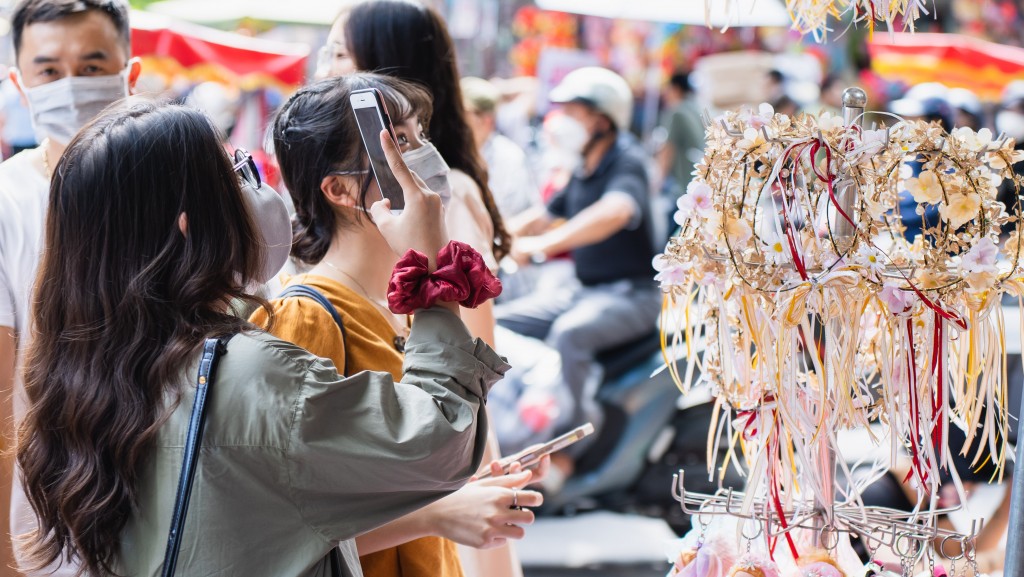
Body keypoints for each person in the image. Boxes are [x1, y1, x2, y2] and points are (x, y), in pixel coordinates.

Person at [16, 97, 507, 577]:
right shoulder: (253, 371)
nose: (254, 188)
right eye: (234, 176)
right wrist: (428, 271)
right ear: (189, 226)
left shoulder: (91, 374)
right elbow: (439, 443)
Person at [254, 72, 545, 577]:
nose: (425, 156)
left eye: (420, 135)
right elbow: (280, 529)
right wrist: (436, 514)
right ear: (341, 189)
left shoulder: (409, 310)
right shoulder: (307, 318)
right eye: (401, 141)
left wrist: (463, 487)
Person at [0, 1, 141, 574]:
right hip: (47, 536)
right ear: (20, 84)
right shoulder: (7, 202)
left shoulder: (178, 197)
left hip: (173, 522)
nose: (71, 87)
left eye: (91, 67)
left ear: (129, 75)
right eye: (49, 72)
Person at [496, 67, 662, 475]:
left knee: (570, 335)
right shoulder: (583, 166)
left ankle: (572, 442)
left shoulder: (627, 161)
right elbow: (541, 217)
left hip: (632, 296)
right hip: (583, 291)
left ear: (602, 121)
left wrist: (544, 246)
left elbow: (617, 210)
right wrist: (491, 240)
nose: (561, 121)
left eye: (574, 112)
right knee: (495, 320)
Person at [319, 0, 509, 346]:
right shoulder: (356, 185)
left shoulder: (446, 194)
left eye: (340, 55)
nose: (325, 73)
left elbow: (476, 352)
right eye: (327, 55)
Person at [461, 76, 540, 220]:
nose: (455, 120)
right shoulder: (450, 152)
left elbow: (511, 216)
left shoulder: (508, 157)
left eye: (463, 114)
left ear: (486, 120)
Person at [657, 72, 705, 200]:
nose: (665, 94)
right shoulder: (695, 108)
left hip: (686, 180)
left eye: (668, 89)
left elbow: (668, 149)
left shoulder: (677, 112)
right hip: (701, 175)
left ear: (676, 89)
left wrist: (658, 181)